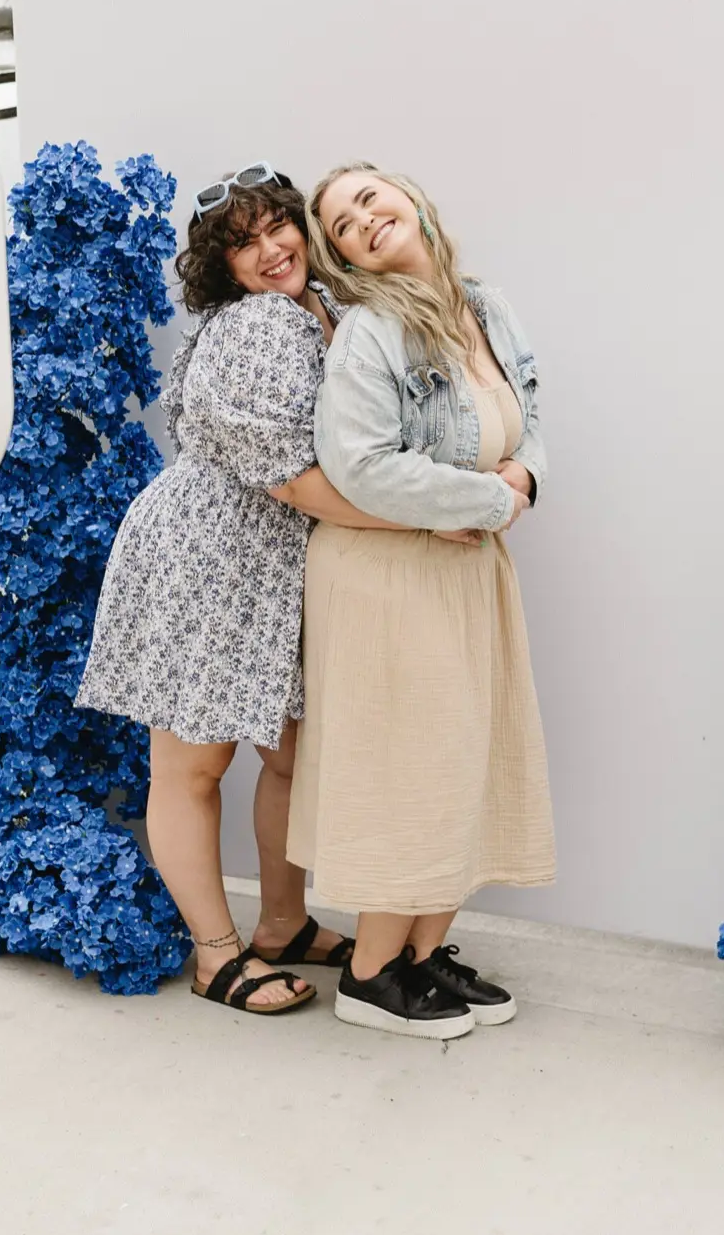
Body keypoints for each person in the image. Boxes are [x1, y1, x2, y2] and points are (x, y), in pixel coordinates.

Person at [77, 163, 450, 1015]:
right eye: (243, 244)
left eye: (277, 226)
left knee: (288, 756)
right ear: (223, 268)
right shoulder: (258, 328)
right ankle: (216, 953)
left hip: (279, 568)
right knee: (191, 763)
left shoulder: (330, 311)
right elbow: (289, 479)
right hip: (206, 555)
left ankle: (283, 922)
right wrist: (419, 520)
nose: (270, 249)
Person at [290, 161, 556, 1039]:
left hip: (468, 569)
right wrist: (487, 500)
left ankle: (418, 955)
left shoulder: (488, 305)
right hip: (390, 576)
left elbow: (532, 417)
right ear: (341, 258)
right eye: (339, 223)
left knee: (465, 760)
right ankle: (370, 975)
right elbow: (357, 463)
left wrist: (524, 474)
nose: (361, 218)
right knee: (410, 767)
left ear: (412, 201)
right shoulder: (370, 332)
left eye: (370, 197)